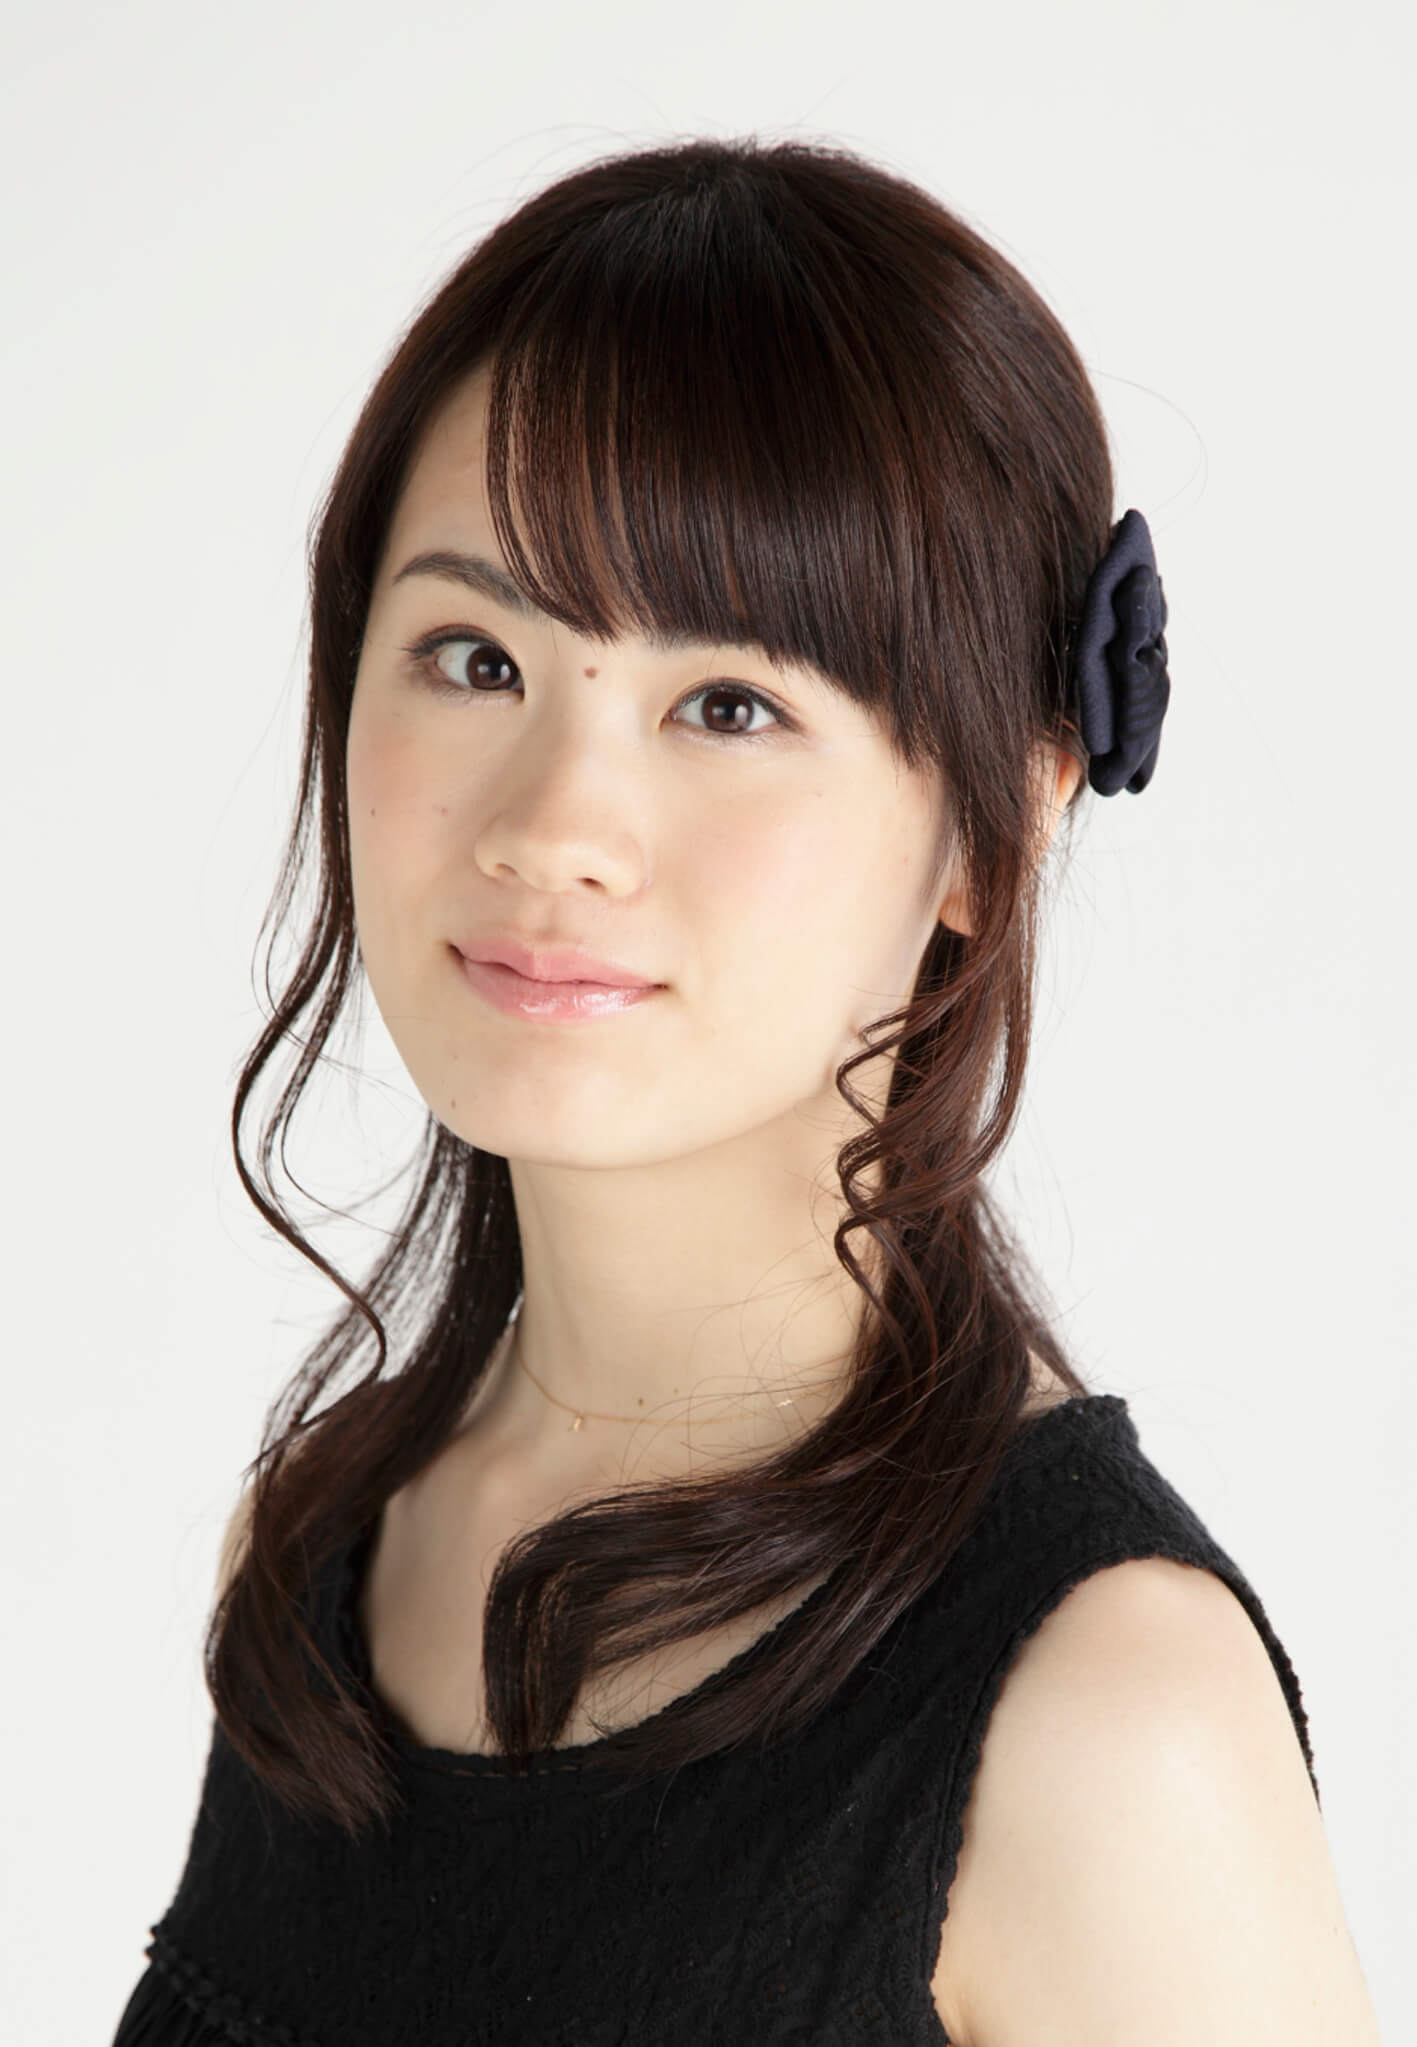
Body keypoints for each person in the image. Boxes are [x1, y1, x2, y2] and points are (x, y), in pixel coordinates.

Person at [111, 136, 1381, 2045]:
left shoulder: (1101, 1717)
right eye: (472, 657)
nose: (555, 826)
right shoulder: (318, 1553)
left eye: (728, 706)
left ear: (999, 823)